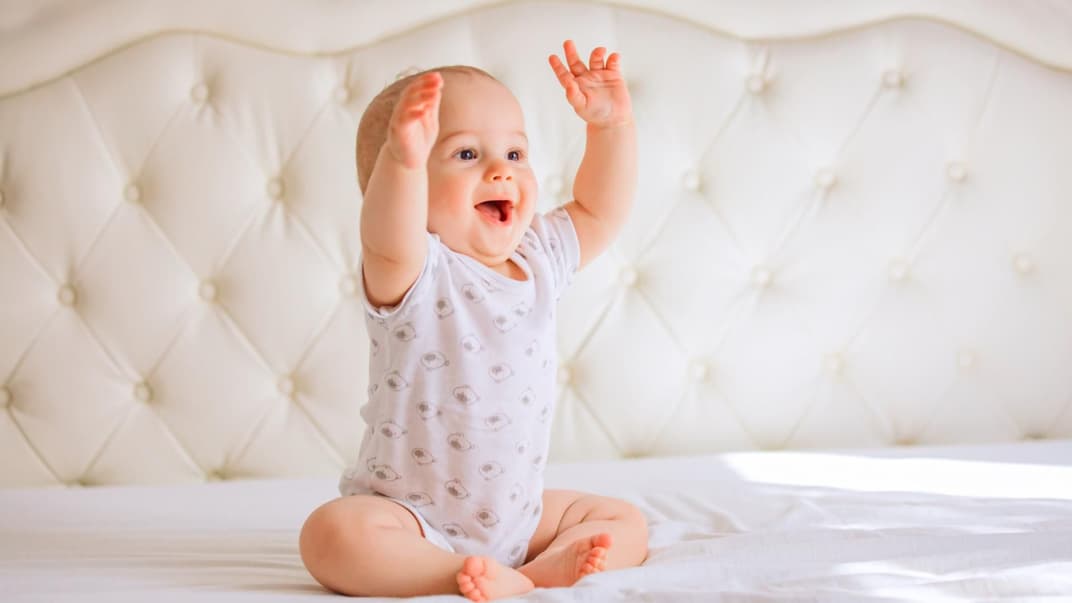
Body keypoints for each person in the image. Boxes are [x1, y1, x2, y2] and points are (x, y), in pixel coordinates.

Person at [299, 40, 647, 601]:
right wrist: (401, 161)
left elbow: (598, 210)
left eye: (514, 154)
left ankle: (537, 572)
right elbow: (386, 235)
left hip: (518, 516)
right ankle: (447, 573)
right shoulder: (414, 269)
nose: (500, 172)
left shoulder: (538, 258)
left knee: (622, 519)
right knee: (332, 535)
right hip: (409, 518)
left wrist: (612, 127)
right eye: (465, 154)